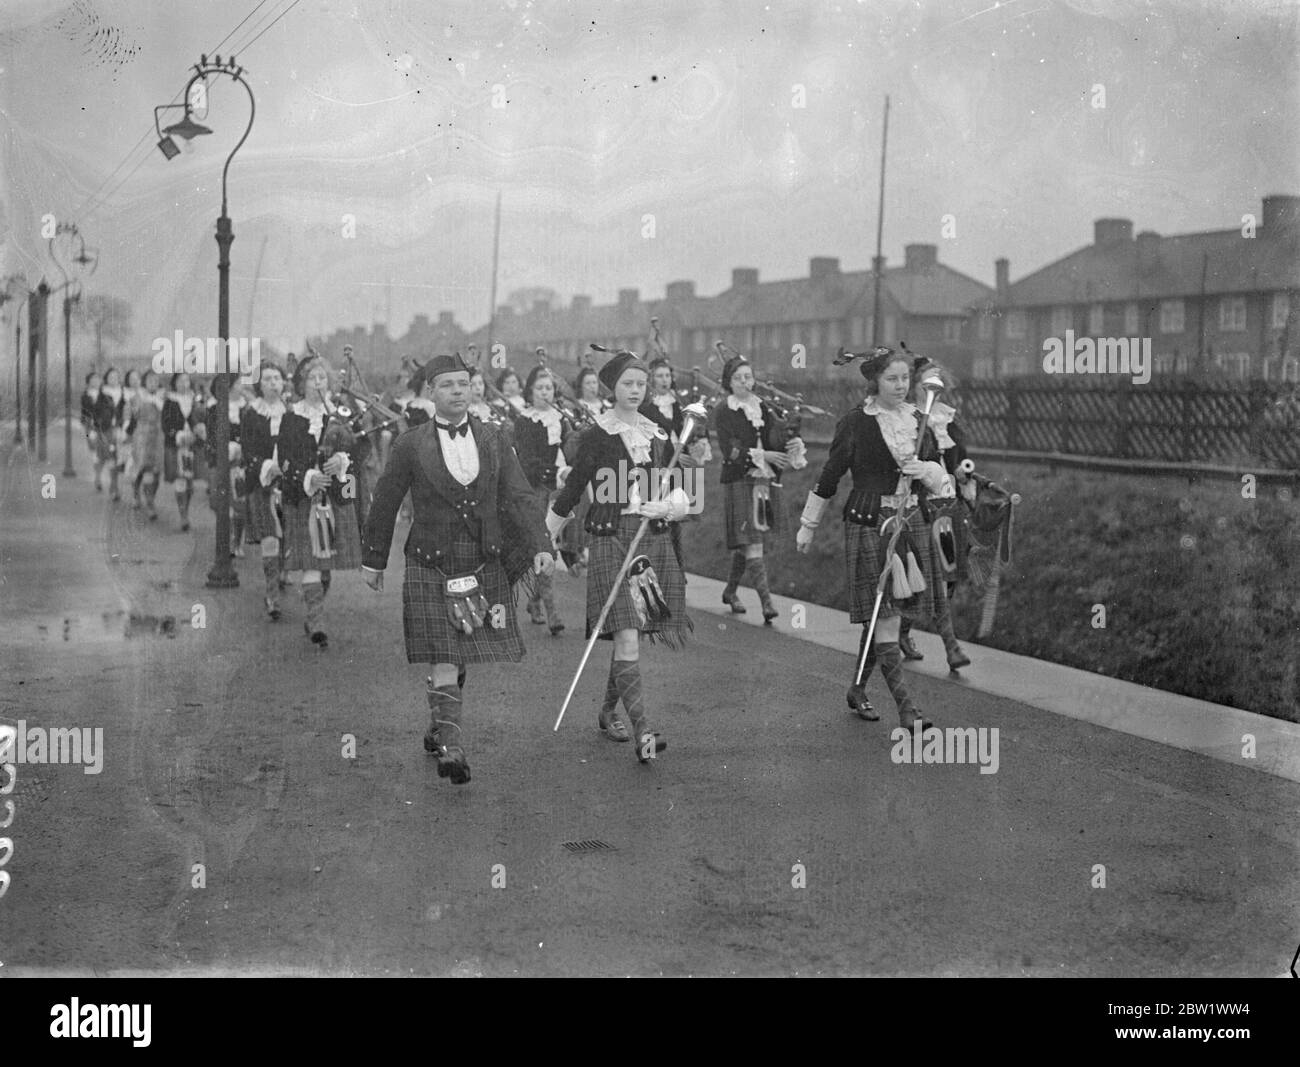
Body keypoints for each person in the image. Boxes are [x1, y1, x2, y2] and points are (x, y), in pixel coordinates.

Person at [361, 353, 554, 785]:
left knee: (458, 653)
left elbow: (521, 493)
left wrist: (542, 543)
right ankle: (453, 748)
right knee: (446, 653)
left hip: (481, 556)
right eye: (446, 385)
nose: (456, 393)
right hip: (429, 560)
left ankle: (439, 725)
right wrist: (373, 560)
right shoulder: (410, 443)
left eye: (463, 385)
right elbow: (386, 501)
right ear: (431, 392)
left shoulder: (495, 437)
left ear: (472, 389)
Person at [546, 351, 695, 762]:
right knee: (626, 631)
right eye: (628, 384)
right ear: (613, 388)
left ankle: (609, 709)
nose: (636, 391)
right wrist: (547, 539)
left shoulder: (659, 434)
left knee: (634, 633)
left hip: (652, 536)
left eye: (641, 384)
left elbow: (684, 492)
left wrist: (666, 507)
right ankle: (644, 730)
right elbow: (573, 489)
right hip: (612, 537)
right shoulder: (598, 434)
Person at [796, 347, 948, 730]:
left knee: (885, 616)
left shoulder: (920, 419)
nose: (900, 386)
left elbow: (942, 480)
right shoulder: (856, 423)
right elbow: (830, 476)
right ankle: (908, 711)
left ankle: (858, 689)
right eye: (891, 379)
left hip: (911, 520)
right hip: (869, 524)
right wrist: (808, 525)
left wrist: (926, 469)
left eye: (904, 379)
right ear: (874, 382)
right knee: (886, 618)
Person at [279, 352, 364, 648]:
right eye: (312, 378)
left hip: (335, 498)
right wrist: (307, 477)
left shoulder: (339, 415)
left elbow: (356, 458)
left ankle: (314, 612)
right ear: (302, 384)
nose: (318, 383)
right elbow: (285, 459)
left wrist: (341, 461)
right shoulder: (292, 417)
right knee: (311, 564)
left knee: (325, 564)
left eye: (322, 378)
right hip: (304, 499)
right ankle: (316, 620)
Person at [896, 357, 971, 670]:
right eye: (926, 384)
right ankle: (951, 648)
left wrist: (964, 473)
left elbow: (958, 460)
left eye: (936, 385)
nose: (932, 390)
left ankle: (902, 630)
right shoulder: (909, 420)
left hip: (950, 507)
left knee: (948, 577)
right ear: (915, 386)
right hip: (921, 507)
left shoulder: (948, 420)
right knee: (933, 578)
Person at [713, 355, 797, 624]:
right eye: (738, 378)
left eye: (748, 377)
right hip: (740, 479)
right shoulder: (724, 410)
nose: (744, 383)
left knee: (749, 541)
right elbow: (731, 451)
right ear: (729, 382)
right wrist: (766, 456)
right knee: (752, 541)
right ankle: (767, 603)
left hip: (763, 480)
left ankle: (730, 591)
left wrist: (791, 443)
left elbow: (777, 439)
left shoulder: (764, 407)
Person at [513, 364, 576, 634]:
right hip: (535, 489)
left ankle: (535, 600)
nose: (544, 393)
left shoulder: (562, 419)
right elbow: (527, 461)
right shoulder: (524, 421)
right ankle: (552, 612)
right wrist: (556, 471)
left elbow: (570, 451)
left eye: (549, 388)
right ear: (530, 392)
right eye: (539, 388)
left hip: (559, 489)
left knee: (551, 545)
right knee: (545, 547)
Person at [241, 363, 289, 620]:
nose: (273, 382)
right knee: (270, 538)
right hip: (262, 483)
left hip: (289, 483)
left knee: (286, 535)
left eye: (277, 378)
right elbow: (248, 450)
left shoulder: (292, 413)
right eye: (268, 378)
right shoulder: (252, 414)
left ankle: (281, 574)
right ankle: (272, 596)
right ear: (260, 384)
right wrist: (266, 467)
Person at [161, 373, 203, 532]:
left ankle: (186, 508)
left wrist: (198, 432)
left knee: (190, 482)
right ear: (174, 384)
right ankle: (183, 514)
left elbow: (202, 419)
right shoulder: (170, 401)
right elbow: (165, 424)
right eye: (180, 381)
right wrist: (177, 435)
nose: (184, 384)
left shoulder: (196, 400)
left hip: (193, 445)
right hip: (176, 446)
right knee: (180, 479)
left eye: (186, 380)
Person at [128, 370, 166, 520]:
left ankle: (151, 499)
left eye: (156, 380)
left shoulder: (163, 396)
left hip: (157, 435)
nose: (153, 383)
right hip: (142, 434)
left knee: (156, 470)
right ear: (144, 382)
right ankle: (139, 495)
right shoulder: (138, 396)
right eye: (150, 380)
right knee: (142, 467)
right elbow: (134, 414)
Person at [89, 369, 120, 499]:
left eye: (116, 377)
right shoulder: (102, 395)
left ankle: (113, 485)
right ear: (106, 379)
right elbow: (96, 414)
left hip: (120, 429)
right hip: (106, 430)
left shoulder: (122, 392)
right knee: (107, 457)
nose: (114, 379)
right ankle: (110, 486)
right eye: (111, 377)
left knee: (116, 459)